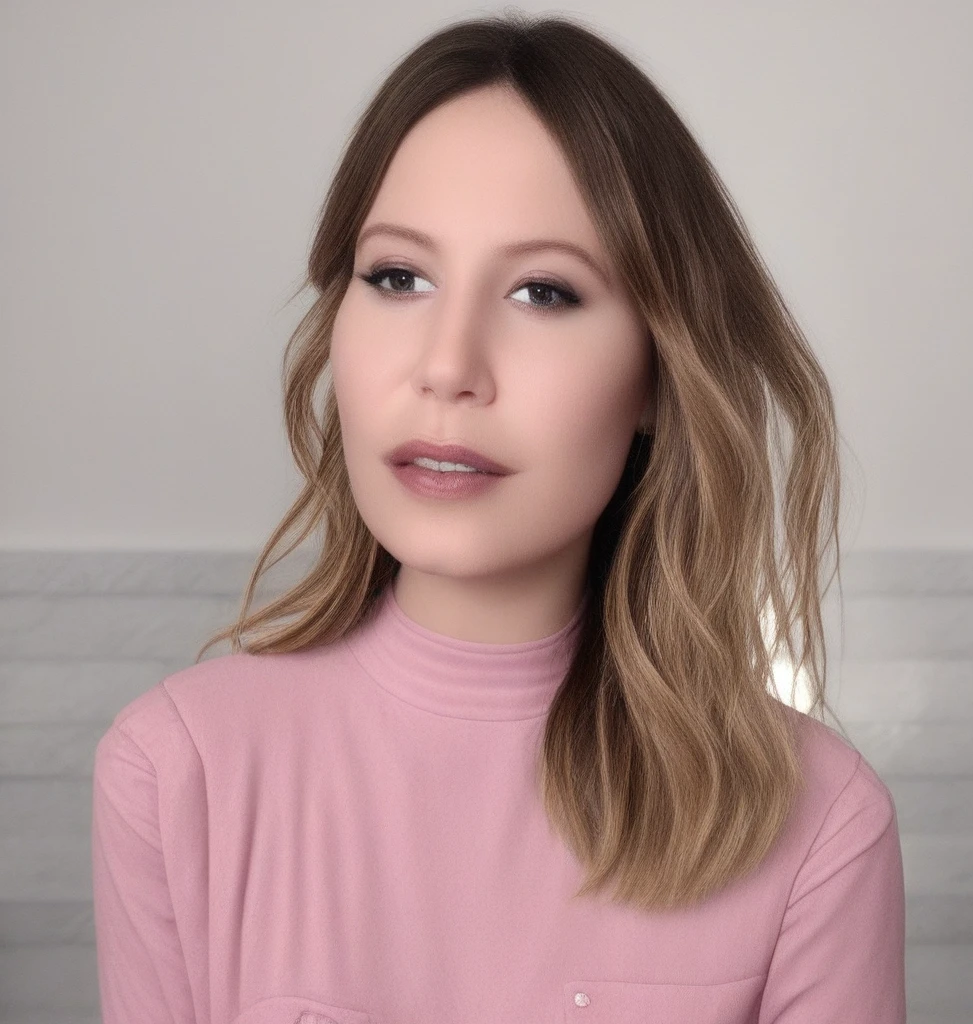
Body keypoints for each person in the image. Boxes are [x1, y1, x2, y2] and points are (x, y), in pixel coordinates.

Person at [91, 10, 906, 1024]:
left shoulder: (820, 827)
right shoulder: (180, 774)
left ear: (659, 373)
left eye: (543, 292)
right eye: (397, 277)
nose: (446, 366)